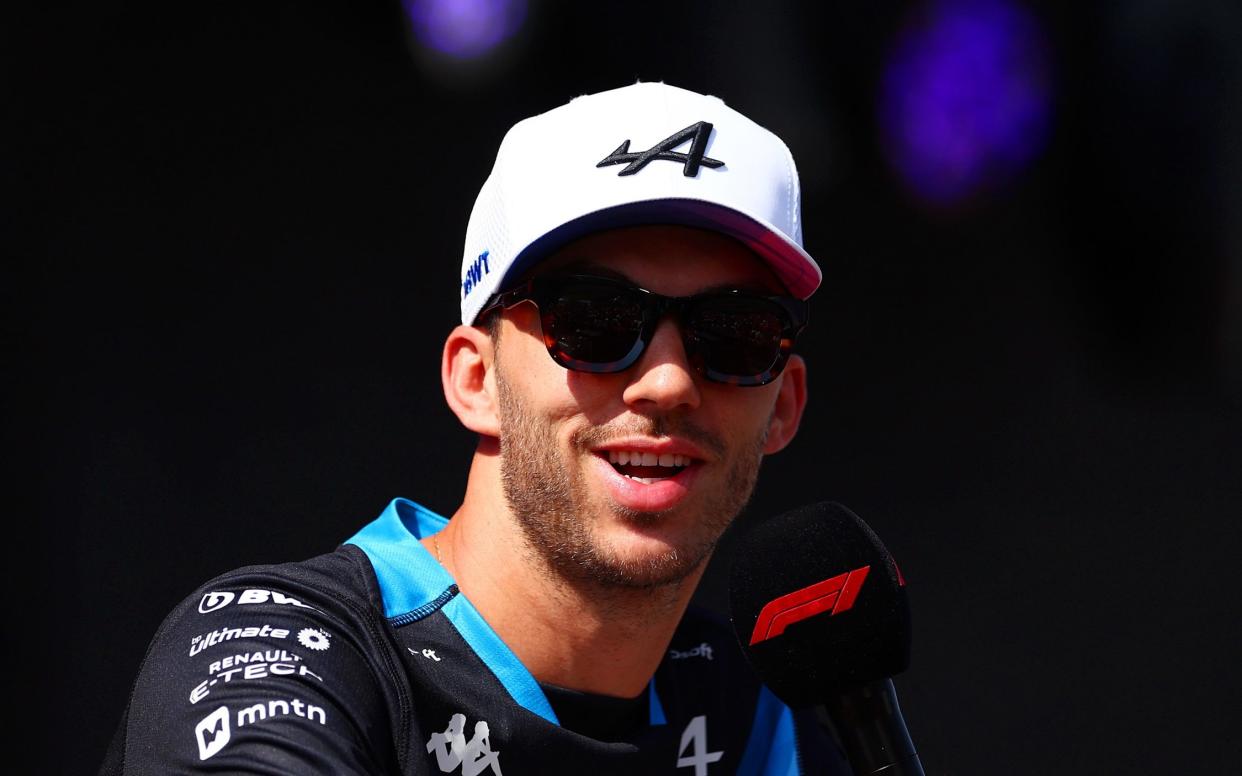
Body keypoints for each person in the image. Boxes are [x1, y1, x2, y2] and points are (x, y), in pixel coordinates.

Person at [101, 81, 851, 775]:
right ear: (475, 380)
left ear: (784, 405)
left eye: (735, 334)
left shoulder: (755, 713)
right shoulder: (287, 655)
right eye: (592, 321)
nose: (669, 382)